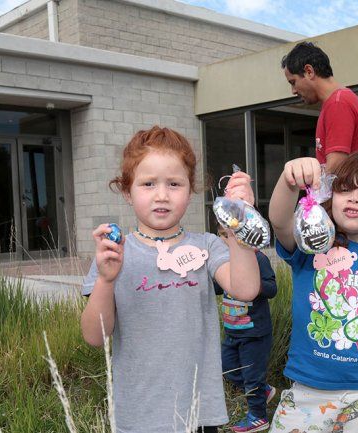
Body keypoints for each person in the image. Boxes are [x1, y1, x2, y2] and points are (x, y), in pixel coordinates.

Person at [80, 126, 261, 433]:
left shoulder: (206, 245)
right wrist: (106, 281)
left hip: (197, 414)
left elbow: (245, 289)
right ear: (127, 191)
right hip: (137, 416)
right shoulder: (113, 254)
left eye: (174, 184)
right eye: (148, 183)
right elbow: (95, 337)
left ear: (191, 191)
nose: (161, 195)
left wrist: (241, 224)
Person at [267, 151, 358, 433]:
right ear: (331, 197)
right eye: (345, 189)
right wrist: (289, 180)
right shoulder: (312, 246)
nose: (354, 198)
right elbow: (280, 221)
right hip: (308, 389)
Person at [214, 226, 278, 433]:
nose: (228, 240)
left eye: (233, 236)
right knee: (227, 368)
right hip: (232, 330)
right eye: (224, 236)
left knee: (252, 377)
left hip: (254, 333)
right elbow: (217, 288)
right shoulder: (224, 260)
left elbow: (272, 288)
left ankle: (258, 417)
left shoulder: (257, 259)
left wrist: (251, 283)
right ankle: (263, 391)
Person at [281, 41, 358, 173]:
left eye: (293, 82)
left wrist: (315, 191)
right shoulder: (339, 100)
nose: (293, 91)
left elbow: (335, 169)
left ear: (309, 71)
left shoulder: (338, 103)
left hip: (350, 191)